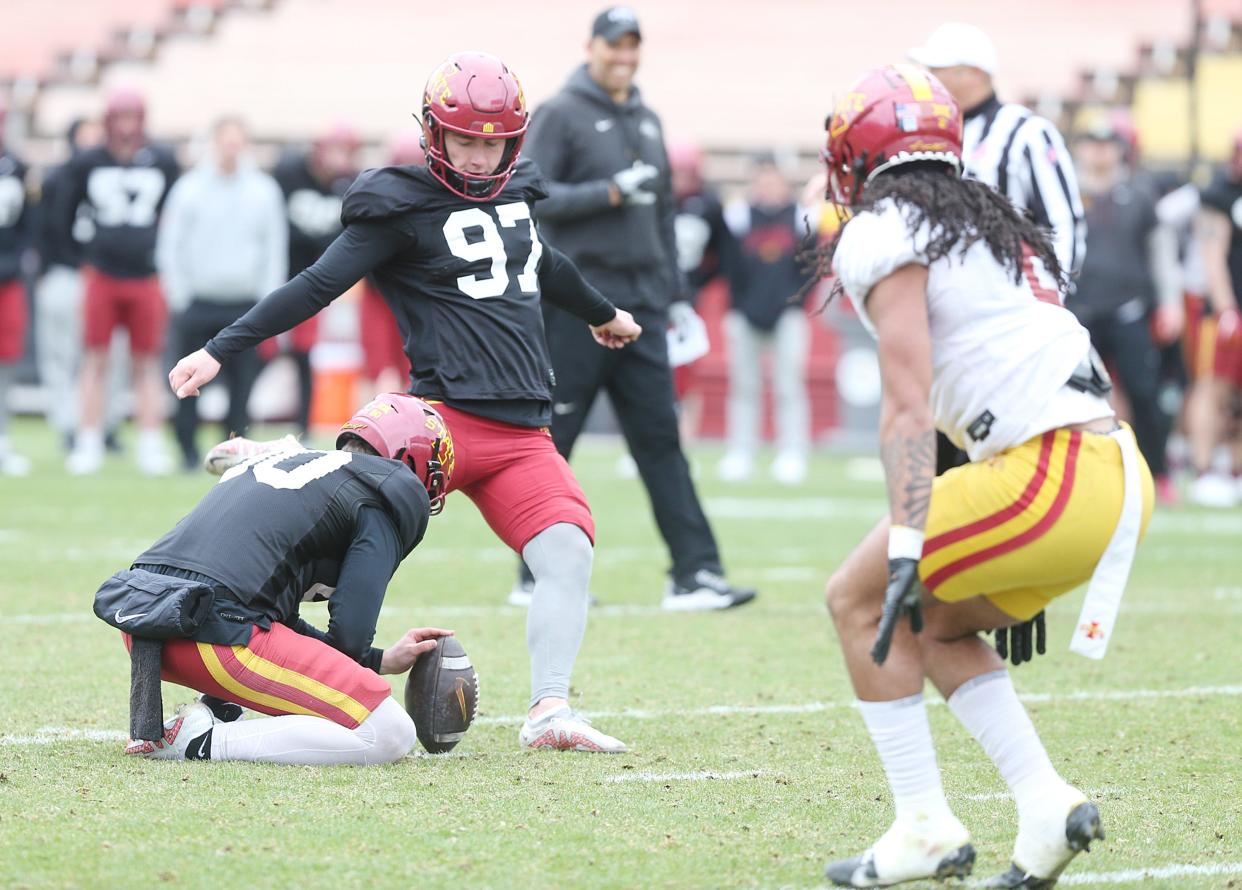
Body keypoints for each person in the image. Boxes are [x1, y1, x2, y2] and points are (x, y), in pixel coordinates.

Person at [168, 52, 642, 754]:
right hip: (436, 422)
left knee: (569, 552)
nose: (481, 157)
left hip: (521, 430)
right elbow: (316, 285)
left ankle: (549, 710)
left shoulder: (516, 195)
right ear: (433, 132)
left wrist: (601, 313)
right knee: (323, 549)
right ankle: (282, 483)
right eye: (466, 139)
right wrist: (219, 348)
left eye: (493, 142)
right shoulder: (400, 208)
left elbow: (546, 265)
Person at [813, 66, 1152, 888]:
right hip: (1104, 471)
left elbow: (905, 403)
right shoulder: (988, 222)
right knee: (937, 624)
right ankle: (1045, 808)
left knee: (858, 598)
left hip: (1049, 472)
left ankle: (923, 826)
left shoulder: (882, 229)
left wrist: (907, 537)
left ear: (858, 156)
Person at [523, 6, 756, 611]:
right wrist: (609, 191)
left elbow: (660, 221)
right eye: (614, 45)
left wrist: (675, 296)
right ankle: (534, 574)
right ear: (592, 46)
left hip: (644, 308)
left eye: (632, 45)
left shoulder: (648, 119)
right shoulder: (560, 113)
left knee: (661, 442)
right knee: (556, 439)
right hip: (578, 306)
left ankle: (694, 574)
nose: (624, 56)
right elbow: (534, 197)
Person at [94, 394, 448, 765]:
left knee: (253, 618)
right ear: (409, 460)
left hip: (146, 625)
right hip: (213, 639)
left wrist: (378, 660)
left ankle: (216, 711)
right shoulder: (388, 491)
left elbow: (269, 608)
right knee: (389, 731)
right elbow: (350, 633)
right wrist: (362, 660)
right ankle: (198, 741)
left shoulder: (300, 468)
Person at [909, 22, 1086, 476]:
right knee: (940, 440)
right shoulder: (931, 134)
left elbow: (1063, 222)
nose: (926, 79)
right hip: (947, 316)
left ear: (971, 73)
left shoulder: (1026, 132)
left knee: (999, 445)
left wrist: (1048, 303)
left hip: (1009, 317)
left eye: (936, 69)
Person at [60, 88, 180, 476]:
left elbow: (173, 214)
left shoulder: (161, 160)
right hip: (103, 275)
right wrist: (82, 260)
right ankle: (89, 439)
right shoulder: (88, 162)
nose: (127, 127)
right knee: (95, 359)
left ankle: (149, 442)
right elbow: (63, 213)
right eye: (121, 118)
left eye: (133, 118)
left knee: (146, 362)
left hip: (146, 276)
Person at [156, 116, 287, 470]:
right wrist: (178, 294)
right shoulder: (189, 188)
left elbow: (274, 248)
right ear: (214, 142)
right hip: (198, 301)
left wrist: (269, 303)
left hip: (244, 304)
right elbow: (172, 244)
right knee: (187, 382)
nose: (231, 148)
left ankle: (235, 452)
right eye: (225, 141)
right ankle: (185, 448)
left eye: (237, 141)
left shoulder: (263, 190)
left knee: (242, 385)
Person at [1070, 114, 1182, 504]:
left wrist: (1169, 302)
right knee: (1074, 396)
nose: (1099, 151)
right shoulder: (1065, 190)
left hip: (1128, 308)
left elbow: (1160, 252)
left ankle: (1158, 471)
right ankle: (1079, 472)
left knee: (1143, 390)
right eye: (1093, 143)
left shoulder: (1140, 193)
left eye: (1107, 143)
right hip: (1079, 311)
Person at [34, 117, 131, 456]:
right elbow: (46, 229)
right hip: (69, 274)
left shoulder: (118, 175)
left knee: (110, 354)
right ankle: (68, 425)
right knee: (64, 355)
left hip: (104, 275)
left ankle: (104, 425)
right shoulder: (60, 178)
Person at [718, 152, 817, 485]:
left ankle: (792, 452)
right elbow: (728, 265)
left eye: (773, 178)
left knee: (789, 386)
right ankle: (741, 451)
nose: (767, 185)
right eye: (761, 178)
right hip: (744, 313)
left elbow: (811, 268)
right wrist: (739, 305)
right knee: (744, 387)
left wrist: (795, 303)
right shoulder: (738, 217)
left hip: (788, 314)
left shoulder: (802, 217)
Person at [271, 123, 361, 435]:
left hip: (313, 283)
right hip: (277, 277)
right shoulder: (289, 174)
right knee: (261, 350)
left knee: (303, 355)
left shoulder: (348, 185)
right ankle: (236, 416)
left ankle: (303, 426)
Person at [1185, 128, 1242, 506]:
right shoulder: (1218, 195)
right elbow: (1212, 254)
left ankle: (1235, 470)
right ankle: (1204, 468)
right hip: (1225, 312)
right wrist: (1227, 309)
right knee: (1212, 385)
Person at [358, 131, 423, 399]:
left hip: (414, 298)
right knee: (380, 370)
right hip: (381, 294)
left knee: (411, 370)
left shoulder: (432, 202)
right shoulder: (376, 200)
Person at [0, 96, 31, 475]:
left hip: (6, 278)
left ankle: (2, 439)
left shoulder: (17, 167)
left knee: (4, 363)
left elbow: (28, 227)